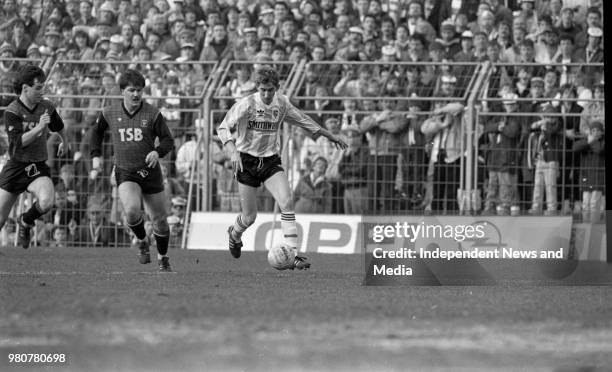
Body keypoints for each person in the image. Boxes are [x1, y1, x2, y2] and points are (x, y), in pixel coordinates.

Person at [217, 66, 347, 270]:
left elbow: (304, 120)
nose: (267, 94)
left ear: (277, 88)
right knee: (250, 217)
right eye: (263, 90)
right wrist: (232, 151)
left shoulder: (282, 104)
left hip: (270, 161)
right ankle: (234, 234)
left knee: (287, 201)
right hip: (246, 161)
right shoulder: (247, 103)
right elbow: (223, 127)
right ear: (258, 88)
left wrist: (329, 136)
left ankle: (293, 254)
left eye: (270, 90)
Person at [89, 69, 175, 272]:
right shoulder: (109, 112)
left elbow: (168, 140)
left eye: (139, 90)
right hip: (126, 171)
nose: (136, 94)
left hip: (151, 172)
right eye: (131, 90)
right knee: (131, 211)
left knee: (160, 221)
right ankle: (143, 241)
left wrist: (157, 152)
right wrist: (95, 156)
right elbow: (96, 133)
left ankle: (163, 258)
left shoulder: (152, 113)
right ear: (122, 92)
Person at [0, 64, 66, 248]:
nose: (41, 91)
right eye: (38, 87)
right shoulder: (12, 111)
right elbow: (18, 143)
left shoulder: (46, 106)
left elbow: (59, 126)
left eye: (43, 87)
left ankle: (26, 221)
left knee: (47, 201)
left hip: (37, 166)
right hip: (15, 166)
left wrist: (65, 141)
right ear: (25, 88)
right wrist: (39, 128)